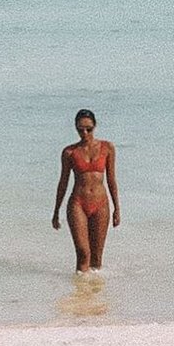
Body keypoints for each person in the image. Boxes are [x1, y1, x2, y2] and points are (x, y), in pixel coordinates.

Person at [52, 108, 120, 272]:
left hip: (101, 204)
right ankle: (79, 292)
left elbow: (111, 179)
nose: (84, 133)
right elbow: (63, 182)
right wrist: (56, 211)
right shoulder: (69, 152)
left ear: (95, 127)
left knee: (96, 257)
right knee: (83, 253)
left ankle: (92, 295)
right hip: (78, 204)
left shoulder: (107, 147)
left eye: (88, 129)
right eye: (80, 129)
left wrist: (117, 209)